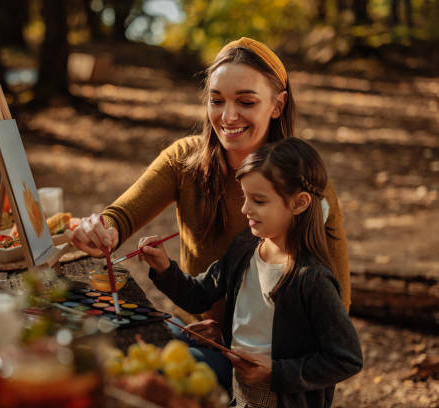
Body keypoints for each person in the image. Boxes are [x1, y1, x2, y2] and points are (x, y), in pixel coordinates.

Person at [65, 37, 351, 391]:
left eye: (246, 101)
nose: (228, 116)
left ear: (277, 105)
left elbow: (337, 306)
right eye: (216, 100)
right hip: (197, 335)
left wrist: (240, 334)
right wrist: (101, 228)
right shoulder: (184, 160)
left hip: (264, 362)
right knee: (98, 345)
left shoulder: (303, 185)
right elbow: (121, 215)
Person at [137, 137, 363, 408]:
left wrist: (275, 371)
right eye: (245, 196)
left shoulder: (312, 279)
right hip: (240, 392)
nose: (245, 208)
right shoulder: (245, 248)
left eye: (258, 200)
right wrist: (164, 268)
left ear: (299, 203)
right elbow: (200, 295)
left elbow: (346, 358)